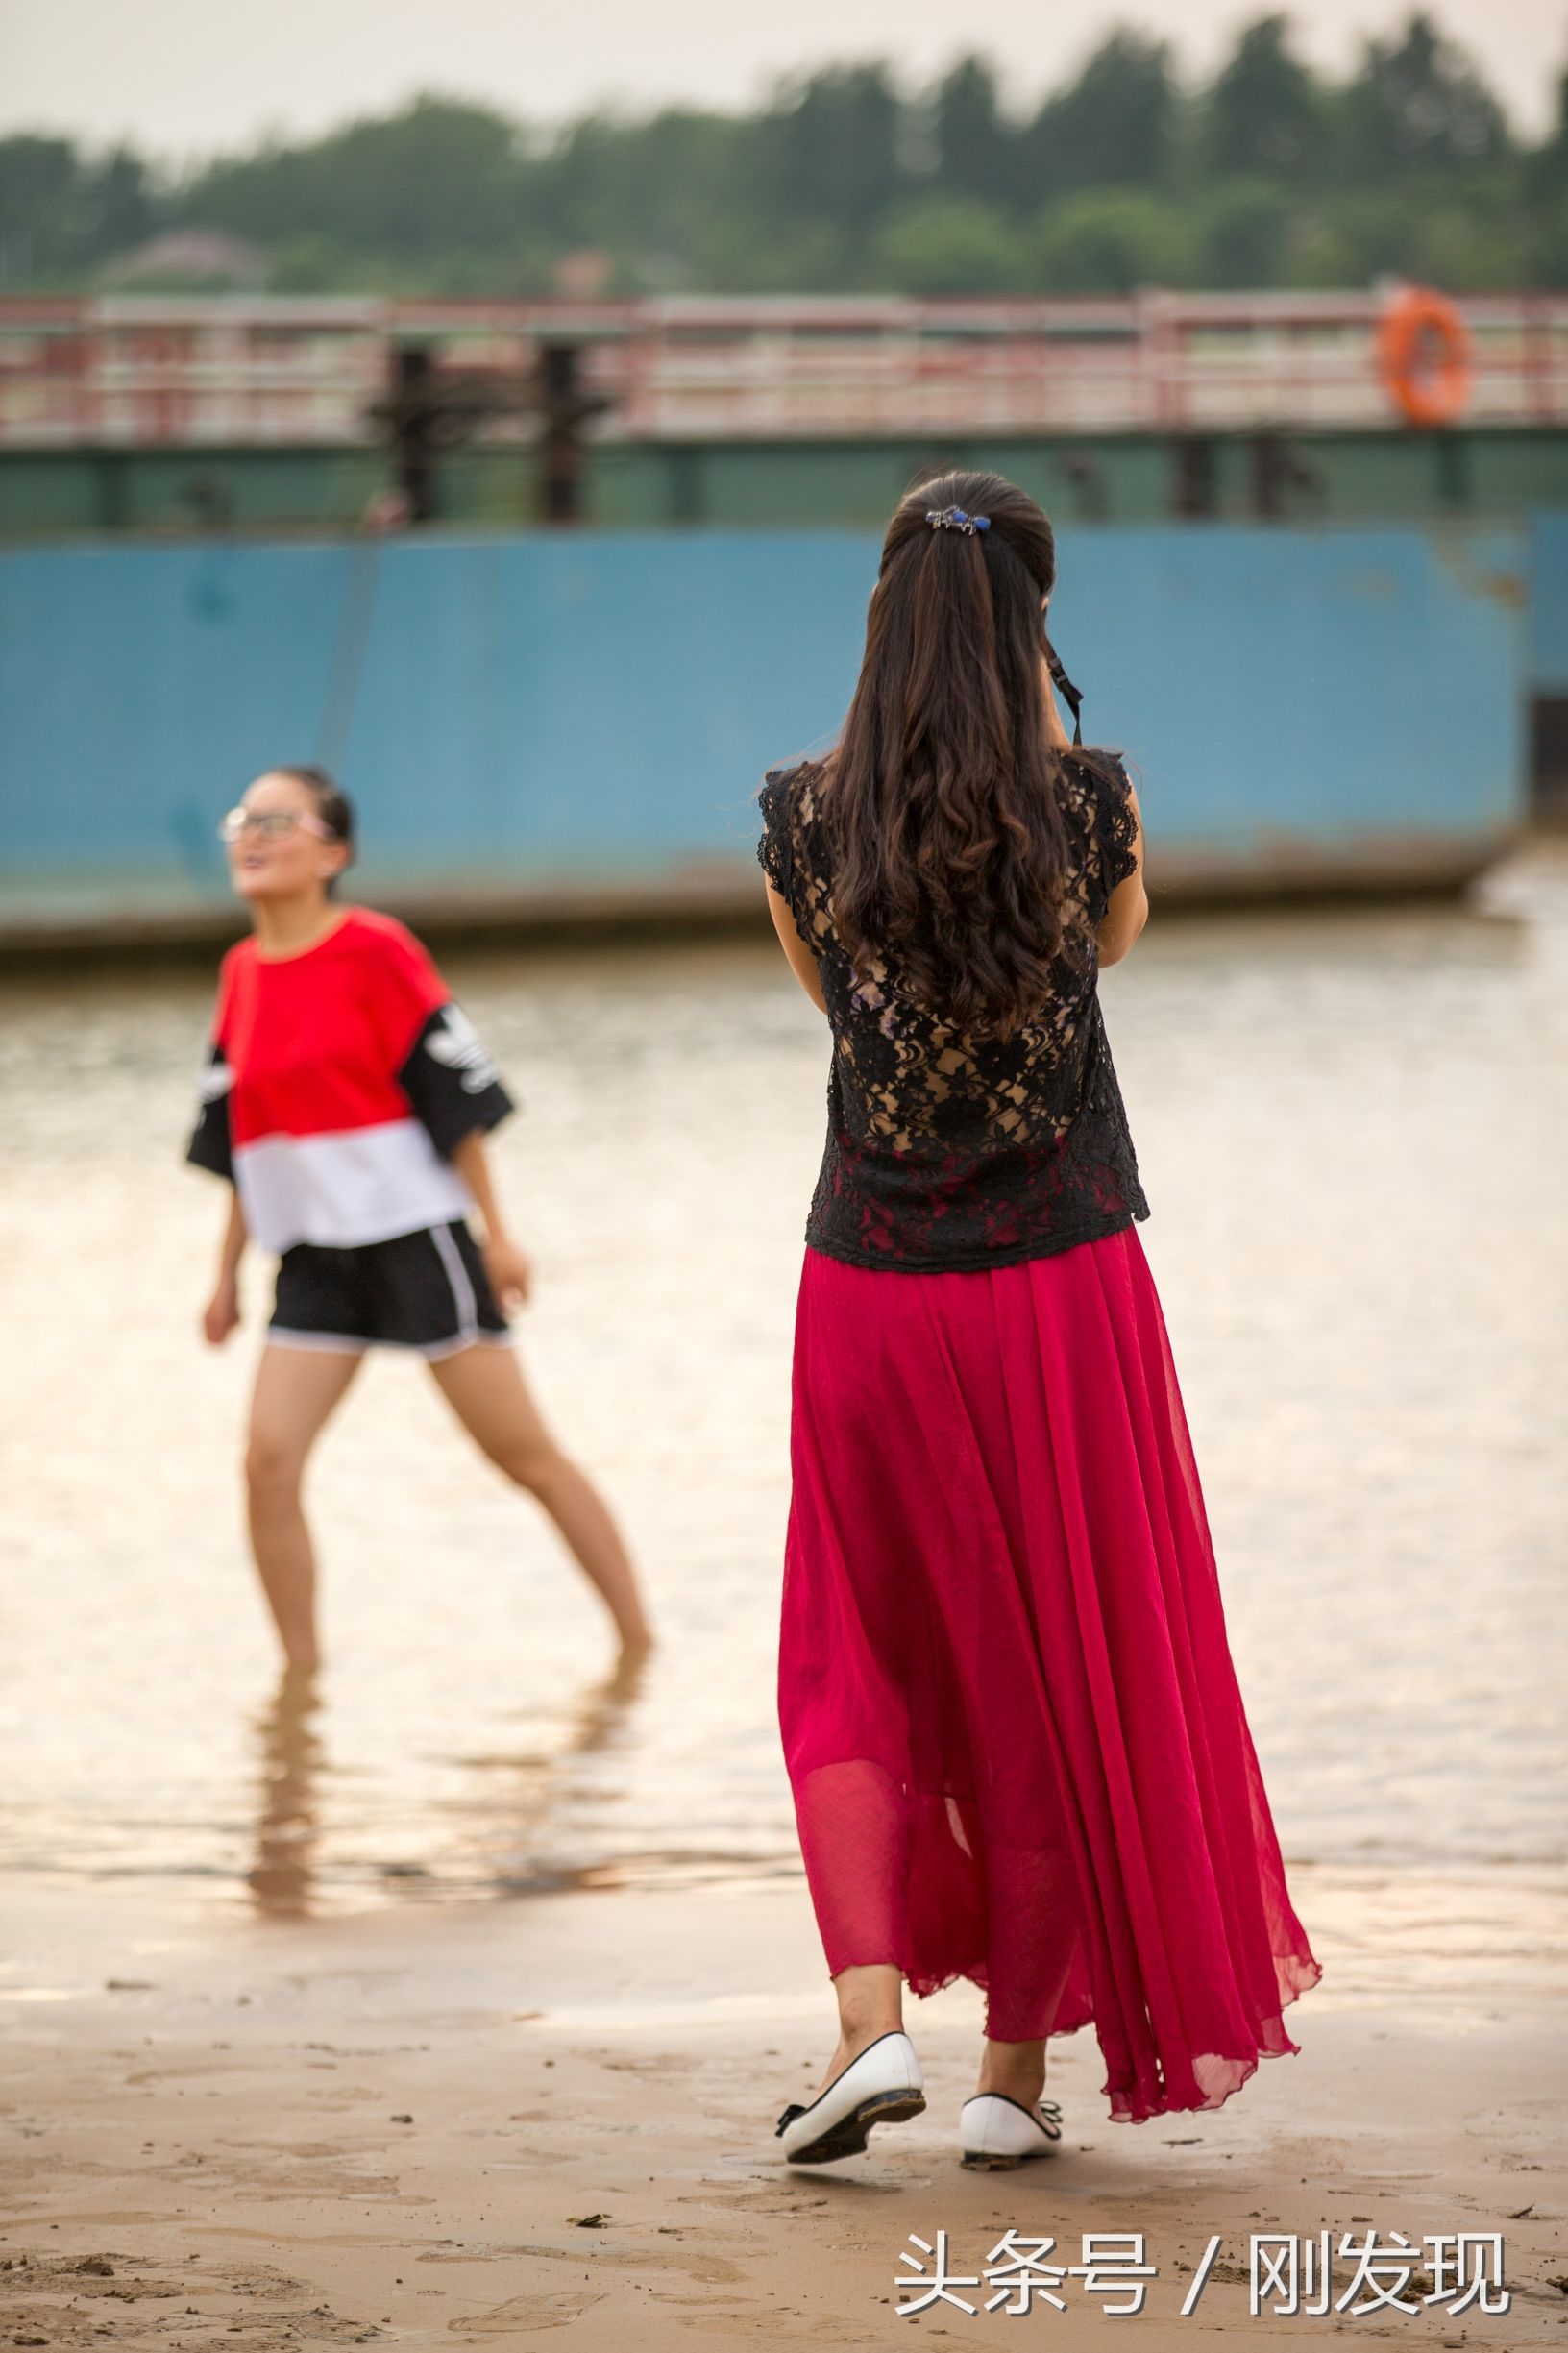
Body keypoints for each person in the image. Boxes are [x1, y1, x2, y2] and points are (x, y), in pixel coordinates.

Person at [759, 473, 1319, 2170]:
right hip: (1061, 1286)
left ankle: (867, 2028)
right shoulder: (1091, 806)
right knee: (1059, 1656)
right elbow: (1114, 949)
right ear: (1035, 625)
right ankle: (1009, 2074)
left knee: (853, 1650)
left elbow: (827, 1007)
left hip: (867, 1279)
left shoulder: (802, 815)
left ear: (878, 619)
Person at [185, 763, 653, 1677]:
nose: (254, 834)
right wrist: (225, 1275)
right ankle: (299, 1681)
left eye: (279, 819)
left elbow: (456, 1101)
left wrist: (499, 1232)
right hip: (312, 1255)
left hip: (417, 1238)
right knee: (266, 1462)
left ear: (335, 851)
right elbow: (244, 1137)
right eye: (244, 818)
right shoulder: (240, 972)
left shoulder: (376, 948)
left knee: (524, 1457)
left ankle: (638, 1644)